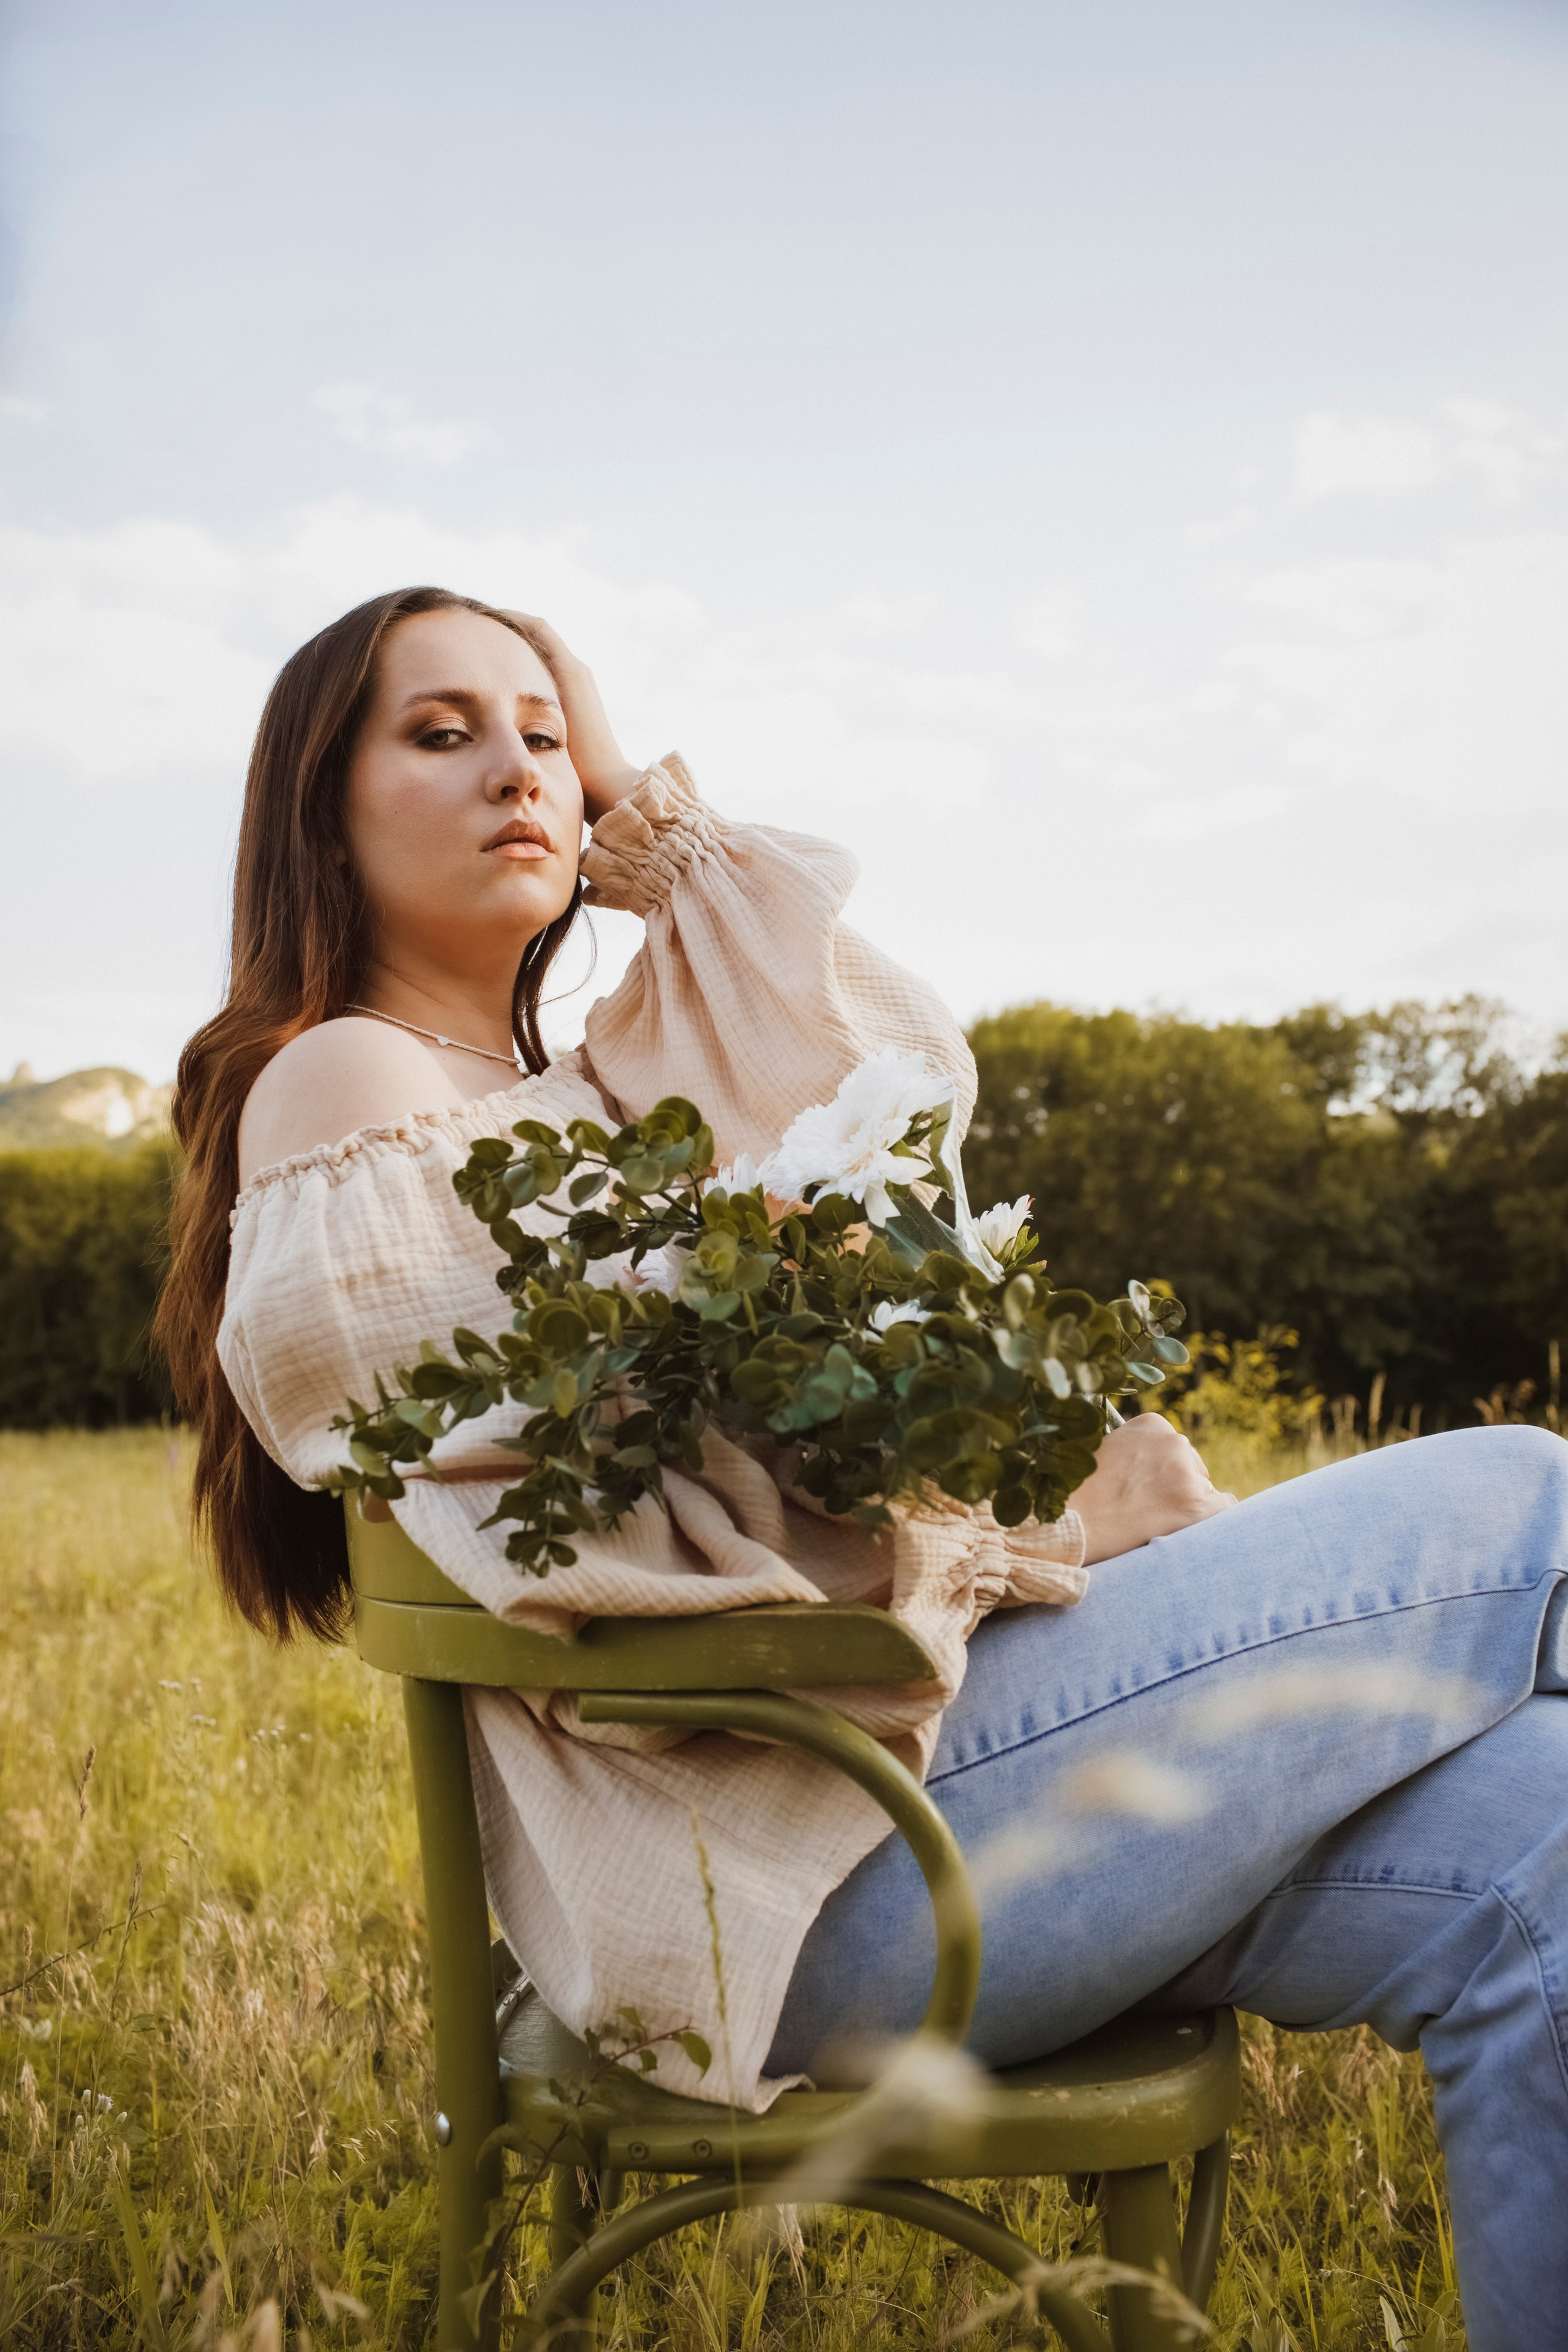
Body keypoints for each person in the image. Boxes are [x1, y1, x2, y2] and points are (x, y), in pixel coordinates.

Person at [157, 585, 1568, 2351]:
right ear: (318, 807)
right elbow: (609, 1518)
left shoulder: (577, 1101)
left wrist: (641, 811)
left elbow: (899, 1077)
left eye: (543, 736)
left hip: (916, 1812)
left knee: (1547, 1850)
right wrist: (1053, 1525)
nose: (521, 773)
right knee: (1529, 1496)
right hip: (807, 1881)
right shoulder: (349, 1082)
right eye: (443, 734)